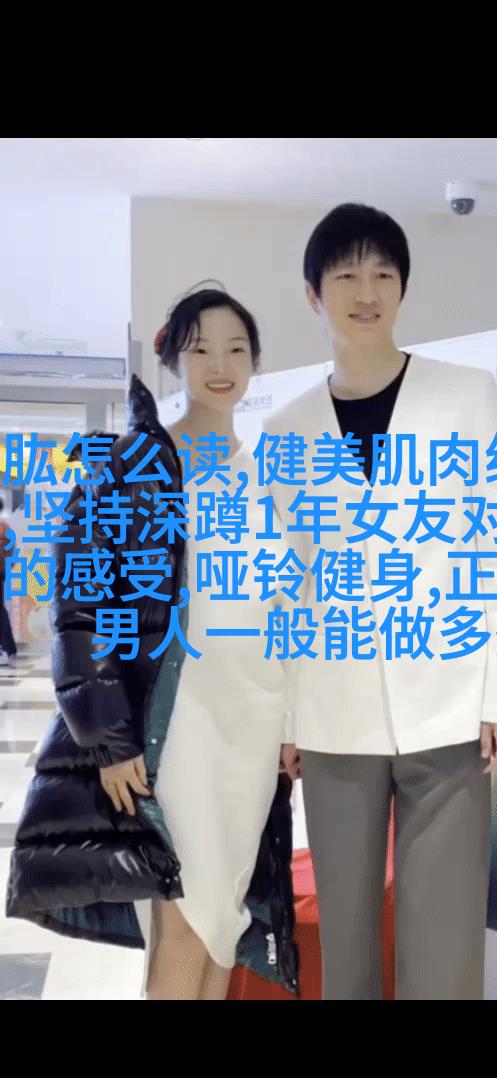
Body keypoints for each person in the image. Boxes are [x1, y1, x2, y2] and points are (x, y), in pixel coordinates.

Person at [269, 203, 497, 1000]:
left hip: (449, 703)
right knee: (345, 933)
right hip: (333, 710)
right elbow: (288, 584)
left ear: (403, 288)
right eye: (346, 274)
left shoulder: (465, 396)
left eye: (383, 273)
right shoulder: (287, 428)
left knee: (442, 937)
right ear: (314, 294)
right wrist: (287, 718)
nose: (366, 291)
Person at [6, 287, 298, 1000]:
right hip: (178, 721)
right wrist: (109, 740)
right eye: (201, 349)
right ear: (173, 360)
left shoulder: (269, 473)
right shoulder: (130, 466)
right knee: (185, 916)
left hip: (253, 724)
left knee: (226, 915)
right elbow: (82, 609)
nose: (220, 365)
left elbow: (290, 606)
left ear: (255, 361)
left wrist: (293, 722)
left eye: (236, 349)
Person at [0, 495, 18, 667]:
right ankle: (8, 647)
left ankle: (8, 648)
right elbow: (12, 552)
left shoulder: (2, 529)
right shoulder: (6, 528)